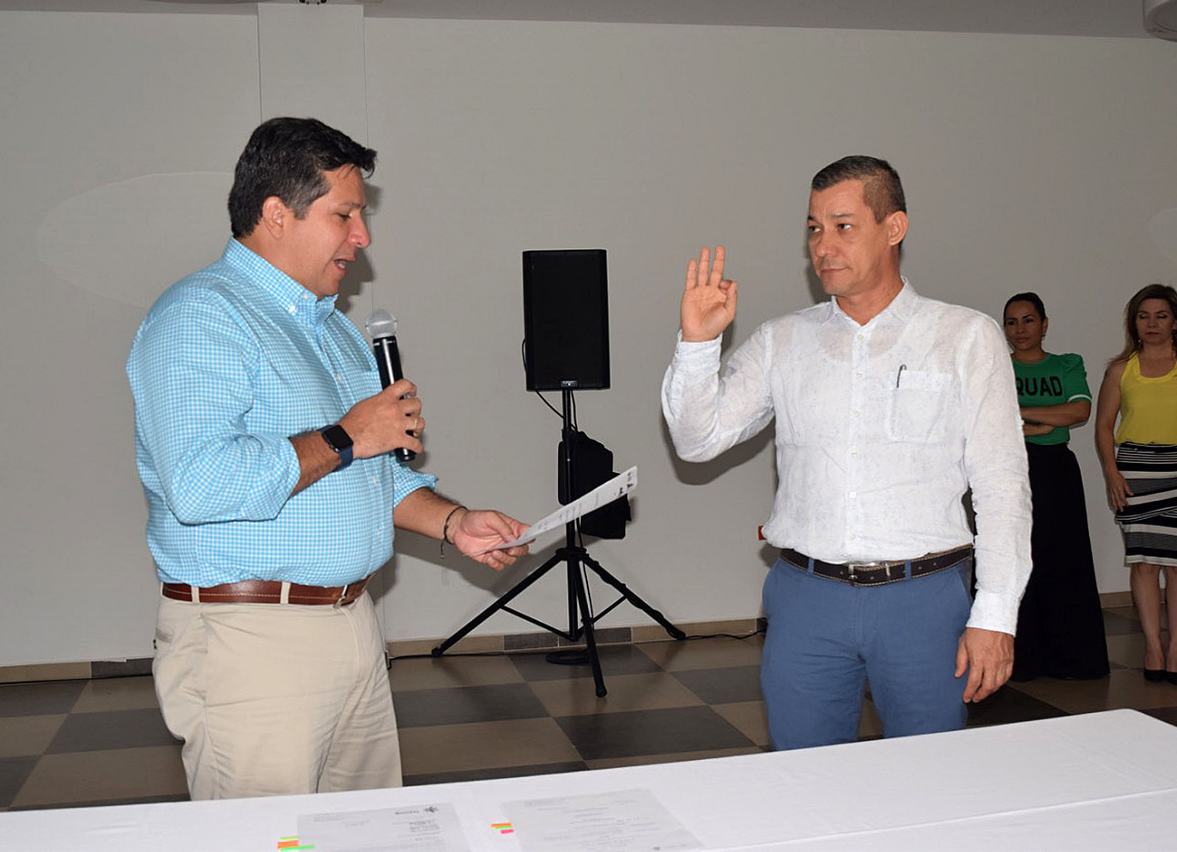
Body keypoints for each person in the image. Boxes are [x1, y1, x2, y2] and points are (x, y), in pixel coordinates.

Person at [126, 117, 529, 799]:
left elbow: (371, 478)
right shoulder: (200, 317)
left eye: (361, 216)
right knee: (263, 840)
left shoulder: (334, 332)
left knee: (364, 835)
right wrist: (345, 436)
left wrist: (453, 522)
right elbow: (199, 484)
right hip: (250, 642)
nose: (362, 236)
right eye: (344, 214)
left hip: (352, 629)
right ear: (276, 215)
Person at [662, 155, 1031, 749]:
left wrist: (994, 615)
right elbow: (695, 440)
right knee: (805, 785)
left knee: (930, 784)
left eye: (843, 225)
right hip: (808, 600)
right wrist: (699, 345)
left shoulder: (963, 336)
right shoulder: (784, 340)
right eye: (813, 228)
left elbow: (1003, 485)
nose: (824, 246)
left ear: (894, 228)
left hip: (925, 599)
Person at [1002, 293, 1108, 680]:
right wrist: (1045, 422)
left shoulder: (1068, 364)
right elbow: (990, 418)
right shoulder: (997, 366)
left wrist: (1022, 413)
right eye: (1012, 322)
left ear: (1045, 324)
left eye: (1028, 320)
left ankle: (1070, 657)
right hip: (1007, 470)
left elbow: (1079, 411)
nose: (1020, 329)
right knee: (1015, 560)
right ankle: (1020, 659)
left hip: (1055, 470)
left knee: (1062, 560)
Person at [1094, 284, 1177, 683]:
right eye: (1144, 316)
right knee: (1144, 564)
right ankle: (1153, 647)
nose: (1152, 324)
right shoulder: (1120, 369)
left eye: (1161, 315)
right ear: (1134, 323)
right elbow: (1104, 426)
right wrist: (1112, 473)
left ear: (1174, 321)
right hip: (1135, 475)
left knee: (1176, 568)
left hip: (1176, 470)